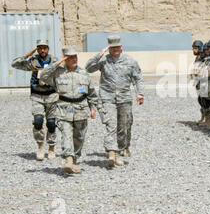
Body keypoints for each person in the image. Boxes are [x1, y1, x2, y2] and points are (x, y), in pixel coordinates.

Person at [85, 35, 144, 168]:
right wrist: (98, 55)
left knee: (124, 127)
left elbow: (138, 78)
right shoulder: (103, 61)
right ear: (109, 48)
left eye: (117, 47)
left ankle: (123, 147)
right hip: (107, 98)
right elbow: (88, 68)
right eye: (112, 48)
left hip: (124, 99)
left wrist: (139, 93)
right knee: (111, 125)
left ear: (121, 47)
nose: (115, 49)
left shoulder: (130, 61)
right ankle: (113, 153)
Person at [39, 47, 97, 174]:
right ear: (65, 59)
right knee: (66, 135)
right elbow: (42, 75)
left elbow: (92, 93)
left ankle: (74, 160)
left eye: (75, 56)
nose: (73, 59)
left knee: (79, 137)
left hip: (81, 110)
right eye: (69, 57)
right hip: (63, 110)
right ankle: (68, 160)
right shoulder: (57, 72)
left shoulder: (84, 73)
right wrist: (57, 63)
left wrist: (93, 108)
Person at [11, 39, 58, 161]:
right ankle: (40, 147)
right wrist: (28, 54)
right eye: (40, 48)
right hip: (37, 95)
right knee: (38, 121)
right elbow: (15, 64)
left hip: (52, 96)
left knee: (51, 123)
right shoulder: (33, 62)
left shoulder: (54, 61)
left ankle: (51, 148)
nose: (42, 50)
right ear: (37, 49)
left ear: (48, 49)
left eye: (45, 48)